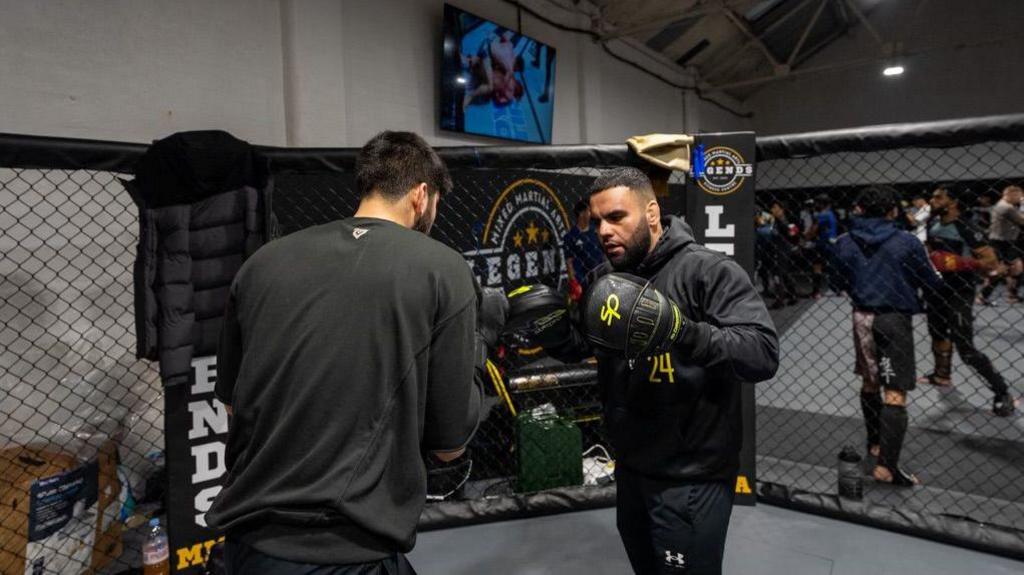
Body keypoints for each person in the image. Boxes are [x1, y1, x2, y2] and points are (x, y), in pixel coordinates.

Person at [207, 131, 489, 574]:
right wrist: (480, 344)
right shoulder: (441, 268)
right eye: (435, 203)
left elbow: (230, 402)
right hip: (343, 550)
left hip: (247, 541)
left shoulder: (263, 262)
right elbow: (450, 446)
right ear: (421, 196)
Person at [508, 167, 779, 574]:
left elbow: (762, 353)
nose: (603, 231)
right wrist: (554, 331)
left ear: (651, 213)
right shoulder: (605, 278)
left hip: (691, 476)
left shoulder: (708, 271)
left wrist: (682, 331)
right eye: (597, 221)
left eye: (617, 217)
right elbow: (585, 345)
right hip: (633, 467)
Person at [832, 186, 941, 486]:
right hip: (893, 318)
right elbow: (929, 281)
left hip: (862, 317)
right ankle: (887, 468)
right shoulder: (906, 242)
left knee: (869, 382)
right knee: (895, 393)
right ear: (893, 211)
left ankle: (875, 444)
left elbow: (837, 280)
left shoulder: (844, 242)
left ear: (860, 210)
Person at [921, 185, 1017, 417]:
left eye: (938, 197)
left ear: (952, 202)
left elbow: (991, 263)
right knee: (937, 334)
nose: (932, 200)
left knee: (966, 348)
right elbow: (932, 255)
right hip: (936, 289)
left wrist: (960, 263)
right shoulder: (933, 223)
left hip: (959, 292)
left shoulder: (966, 227)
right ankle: (941, 374)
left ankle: (1002, 391)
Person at [978, 185, 1024, 305]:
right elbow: (1022, 221)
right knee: (1000, 271)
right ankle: (982, 295)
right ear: (1011, 194)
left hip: (1006, 242)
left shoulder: (1005, 205)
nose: (1020, 198)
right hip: (1000, 243)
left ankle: (1012, 295)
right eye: (1019, 196)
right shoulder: (1006, 207)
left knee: (1017, 268)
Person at [562, 198, 605, 300]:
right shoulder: (570, 236)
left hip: (600, 277)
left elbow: (604, 250)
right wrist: (573, 282)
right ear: (581, 213)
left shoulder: (596, 231)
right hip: (582, 280)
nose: (590, 213)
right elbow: (569, 261)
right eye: (588, 210)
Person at [804, 194, 838, 298]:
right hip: (831, 243)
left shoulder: (823, 215)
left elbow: (813, 230)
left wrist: (805, 237)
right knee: (831, 266)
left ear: (822, 204)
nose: (816, 205)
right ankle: (835, 289)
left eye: (818, 203)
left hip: (823, 244)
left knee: (817, 267)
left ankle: (816, 291)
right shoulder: (831, 214)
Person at [768, 200, 799, 308]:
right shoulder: (776, 221)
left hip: (782, 251)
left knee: (778, 275)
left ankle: (780, 300)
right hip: (780, 250)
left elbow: (794, 233)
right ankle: (792, 295)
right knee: (784, 274)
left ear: (781, 209)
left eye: (775, 208)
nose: (772, 210)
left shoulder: (784, 221)